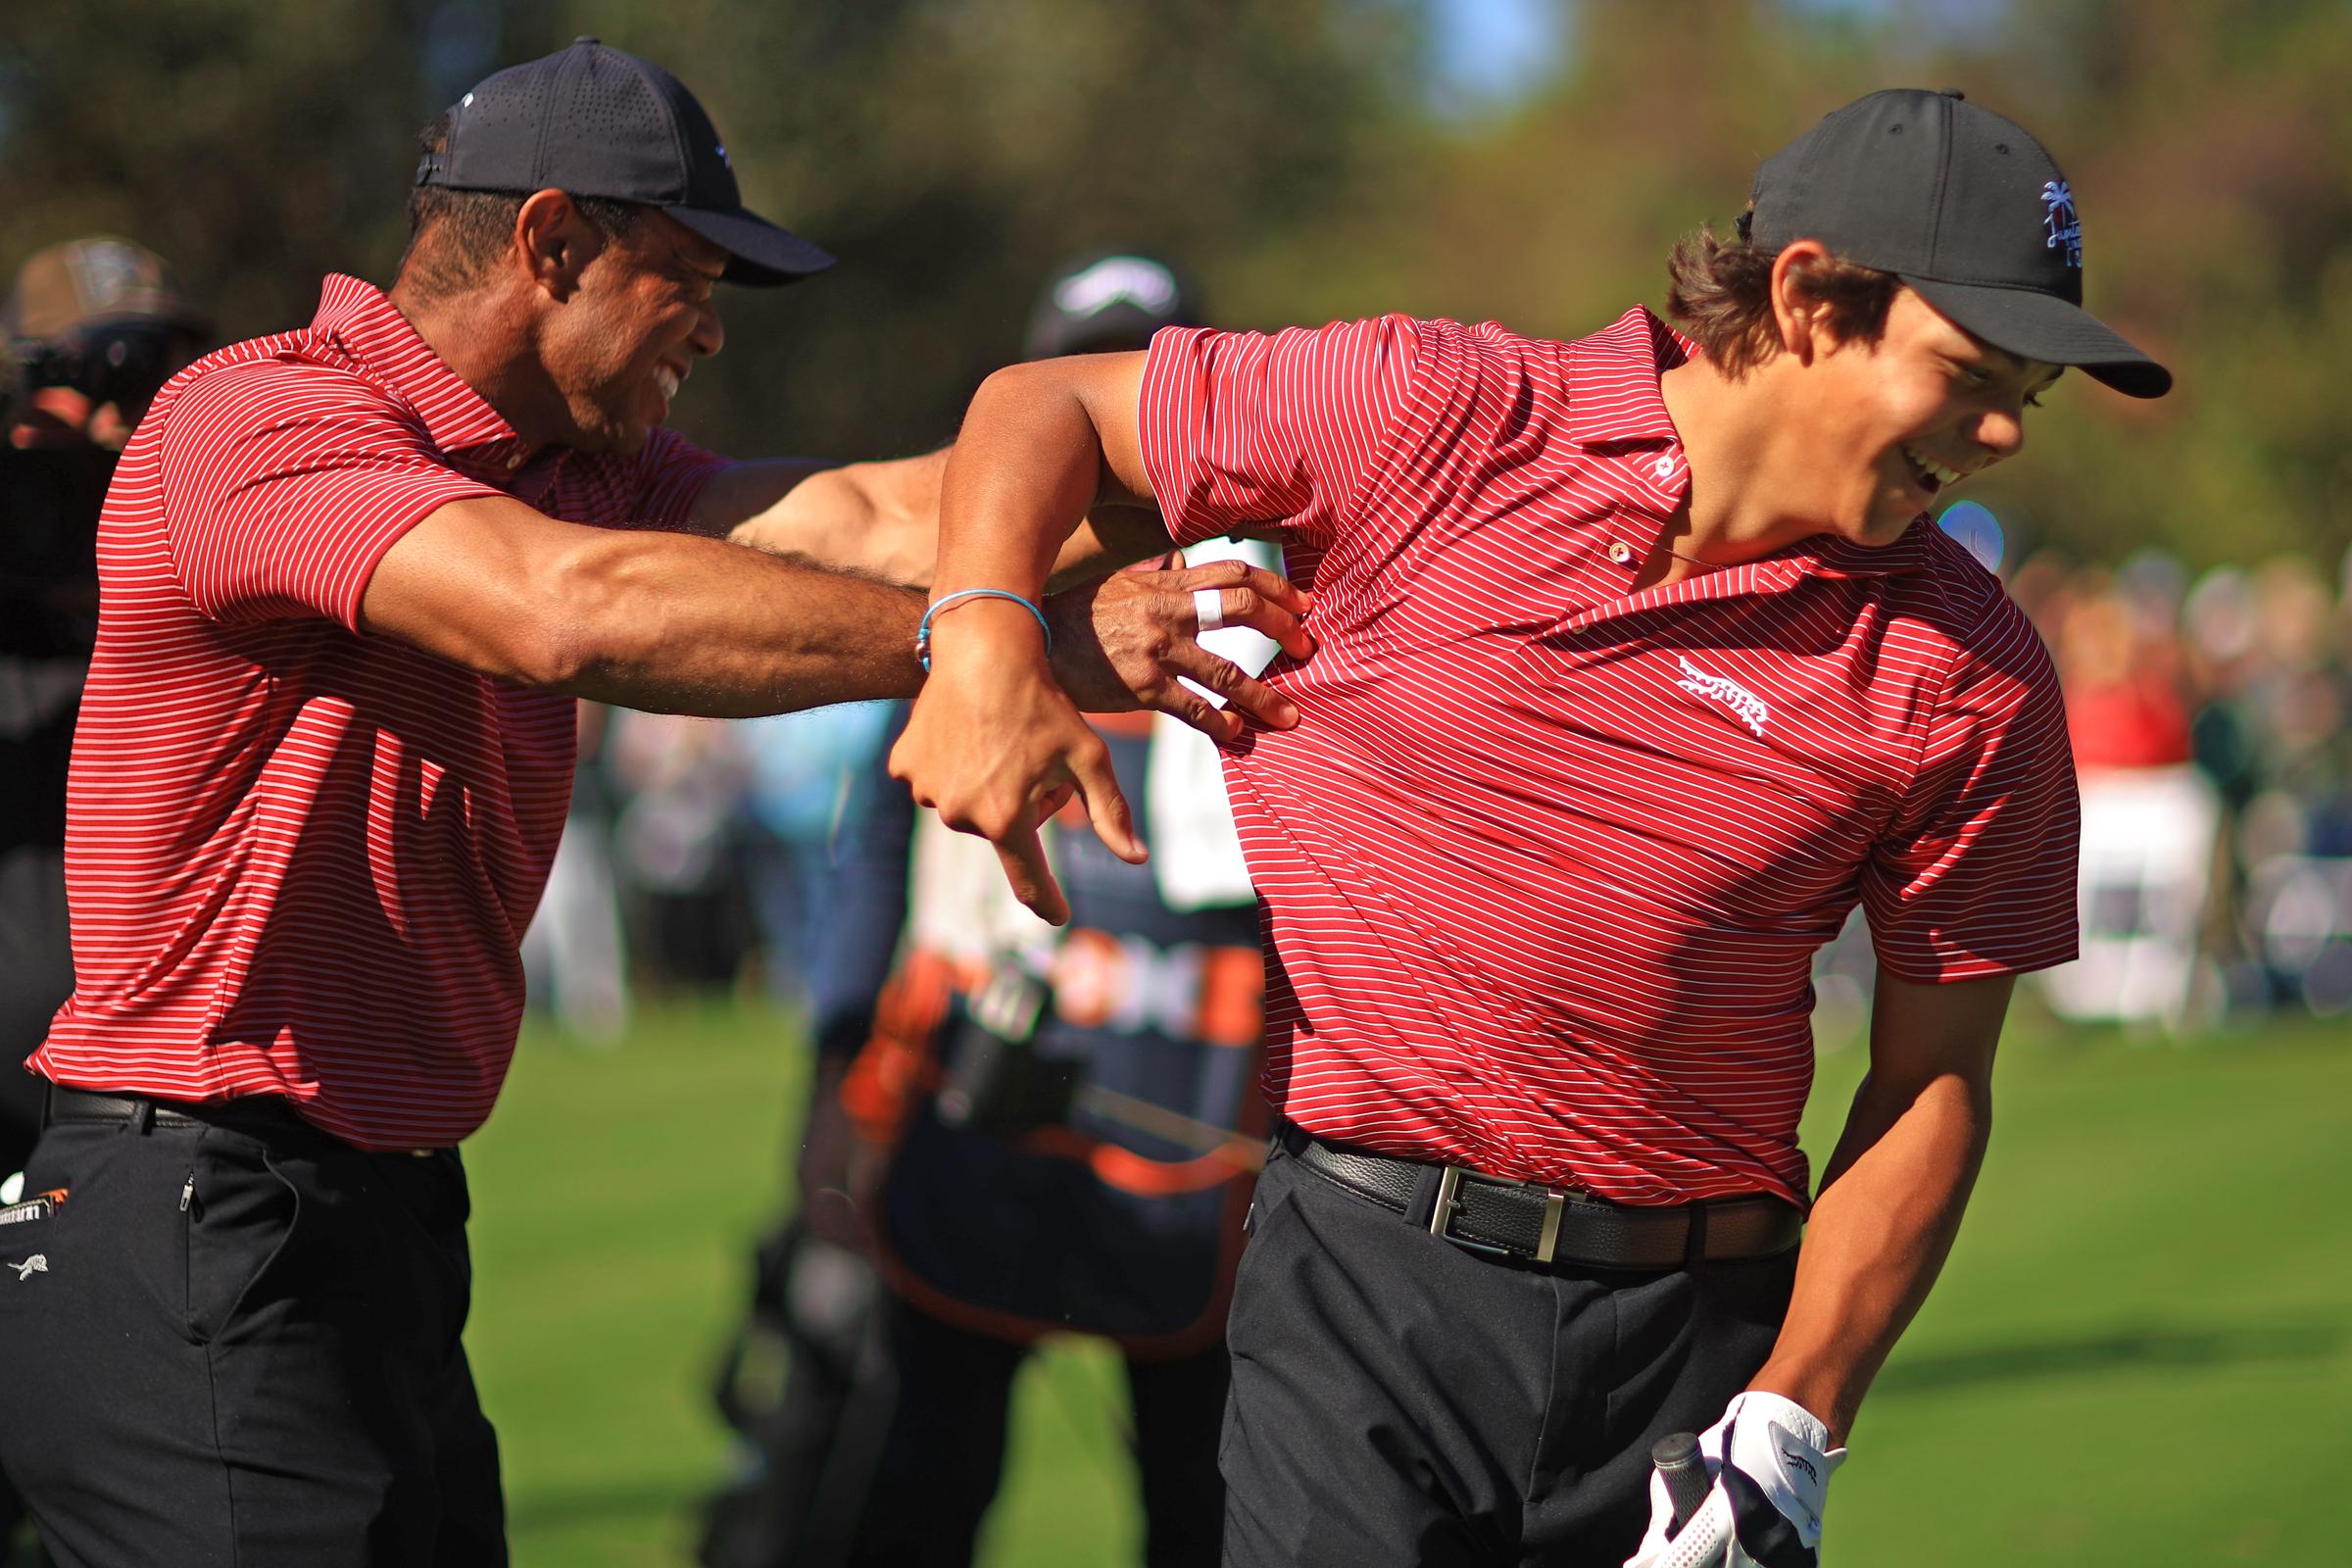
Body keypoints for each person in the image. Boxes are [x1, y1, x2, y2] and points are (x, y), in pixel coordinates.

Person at [0, 40, 1304, 1568]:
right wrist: (1006, 640)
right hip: (191, 1209)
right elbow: (564, 612)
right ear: (551, 241)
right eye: (688, 278)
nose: (713, 333)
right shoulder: (263, 418)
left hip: (372, 1226)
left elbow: (873, 516)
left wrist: (1294, 463)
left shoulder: (568, 465)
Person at [889, 88, 2172, 1568]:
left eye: (2032, 392)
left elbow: (1938, 1080)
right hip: (1360, 1295)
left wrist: (1794, 1422)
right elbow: (1043, 403)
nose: (2004, 430)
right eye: (1970, 370)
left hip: (1696, 1361)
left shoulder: (1971, 670)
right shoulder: (1444, 414)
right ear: (1812, 299)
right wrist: (982, 644)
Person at [701, 252, 1263, 1568]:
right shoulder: (970, 608)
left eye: (1141, 376)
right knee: (920, 1484)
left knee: (1209, 1503)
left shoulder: (1268, 616)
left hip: (1206, 1110)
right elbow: (876, 868)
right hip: (973, 1098)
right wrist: (837, 1067)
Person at [0, 235, 213, 1563]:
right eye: (100, 368)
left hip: (149, 1127)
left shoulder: (203, 528)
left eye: (169, 361)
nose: (137, 401)